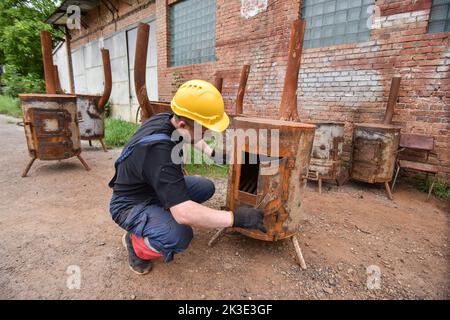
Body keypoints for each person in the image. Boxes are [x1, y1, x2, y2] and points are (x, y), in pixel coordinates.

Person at [109, 80, 266, 275]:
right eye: (206, 128)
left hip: (151, 187)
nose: (208, 132)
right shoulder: (159, 153)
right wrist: (235, 218)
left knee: (205, 186)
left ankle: (157, 215)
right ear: (183, 123)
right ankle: (135, 243)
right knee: (179, 234)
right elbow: (184, 213)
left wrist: (213, 153)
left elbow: (189, 134)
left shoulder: (168, 119)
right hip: (129, 204)